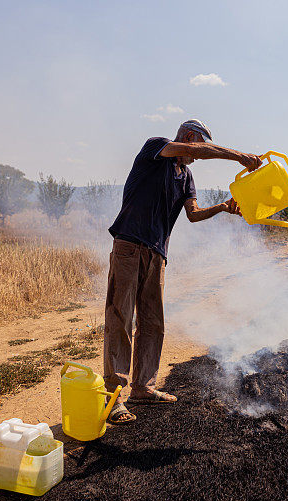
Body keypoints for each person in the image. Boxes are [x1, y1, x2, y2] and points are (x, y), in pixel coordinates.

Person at [103, 119, 261, 424]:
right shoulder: (156, 148)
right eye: (197, 144)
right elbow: (195, 151)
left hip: (157, 254)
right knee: (120, 318)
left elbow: (193, 214)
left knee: (153, 322)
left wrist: (224, 207)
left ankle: (143, 387)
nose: (195, 155)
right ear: (190, 137)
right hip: (129, 246)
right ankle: (114, 398)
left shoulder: (186, 177)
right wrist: (239, 156)